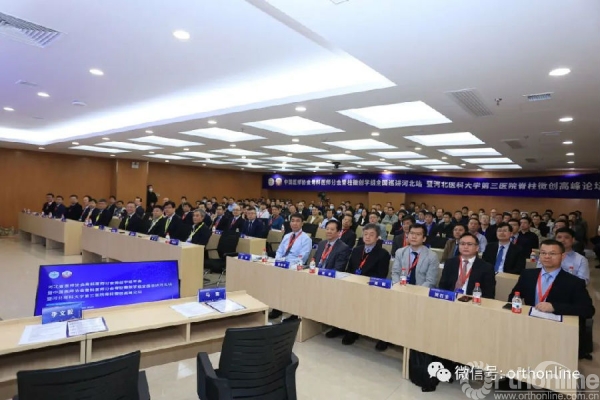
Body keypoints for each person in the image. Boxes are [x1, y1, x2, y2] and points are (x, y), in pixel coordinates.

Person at [509, 239, 595, 360]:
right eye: (543, 253)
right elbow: (513, 297)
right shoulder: (527, 275)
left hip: (556, 330)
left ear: (562, 256)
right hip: (529, 324)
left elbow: (588, 310)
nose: (547, 257)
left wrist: (555, 307)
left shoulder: (574, 282)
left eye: (552, 253)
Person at [330, 224, 390, 346]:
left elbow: (381, 275)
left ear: (377, 237)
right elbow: (349, 269)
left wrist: (362, 282)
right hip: (352, 284)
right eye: (365, 234)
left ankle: (353, 331)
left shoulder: (383, 254)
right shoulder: (357, 250)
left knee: (358, 303)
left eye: (371, 235)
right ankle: (339, 326)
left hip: (369, 287)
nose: (368, 237)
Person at [269, 213, 312, 320]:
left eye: (297, 221)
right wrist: (279, 260)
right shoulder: (287, 236)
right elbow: (279, 251)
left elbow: (302, 258)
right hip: (281, 265)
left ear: (302, 223)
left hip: (294, 268)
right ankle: (277, 308)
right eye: (292, 221)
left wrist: (286, 263)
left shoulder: (306, 239)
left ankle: (292, 311)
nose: (294, 223)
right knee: (276, 286)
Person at [439, 233, 496, 298]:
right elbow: (442, 286)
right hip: (450, 299)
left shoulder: (486, 268)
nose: (465, 247)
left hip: (473, 301)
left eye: (469, 244)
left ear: (477, 248)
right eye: (462, 244)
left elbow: (489, 294)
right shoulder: (450, 263)